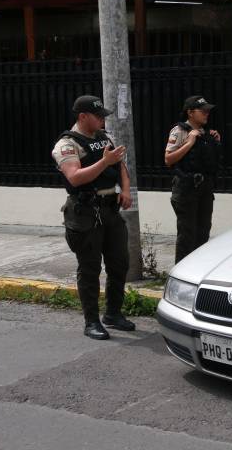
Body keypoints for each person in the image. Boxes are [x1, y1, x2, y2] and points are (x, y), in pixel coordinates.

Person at [51, 95, 135, 340]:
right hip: (85, 213)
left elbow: (120, 167)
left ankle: (113, 314)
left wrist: (126, 190)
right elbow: (75, 177)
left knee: (119, 263)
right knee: (89, 268)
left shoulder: (103, 138)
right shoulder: (67, 144)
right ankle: (92, 321)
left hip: (110, 210)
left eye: (103, 116)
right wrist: (103, 162)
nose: (102, 119)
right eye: (98, 116)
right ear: (82, 117)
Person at [165, 95, 222, 264]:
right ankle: (181, 271)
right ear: (190, 113)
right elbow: (168, 160)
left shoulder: (207, 132)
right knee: (187, 235)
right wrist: (189, 142)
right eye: (202, 111)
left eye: (207, 111)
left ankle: (198, 269)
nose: (206, 114)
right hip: (186, 190)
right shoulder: (180, 131)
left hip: (204, 189)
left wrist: (215, 142)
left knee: (203, 232)